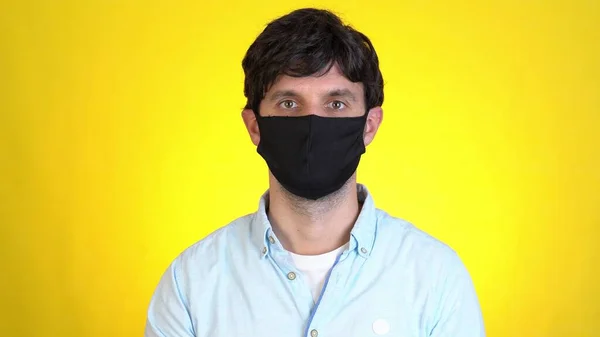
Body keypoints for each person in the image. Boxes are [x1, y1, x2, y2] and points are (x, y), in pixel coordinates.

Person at [145, 8, 485, 337]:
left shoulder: (436, 277)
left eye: (336, 104)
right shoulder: (190, 283)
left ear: (369, 125)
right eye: (289, 104)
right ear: (254, 127)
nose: (311, 124)